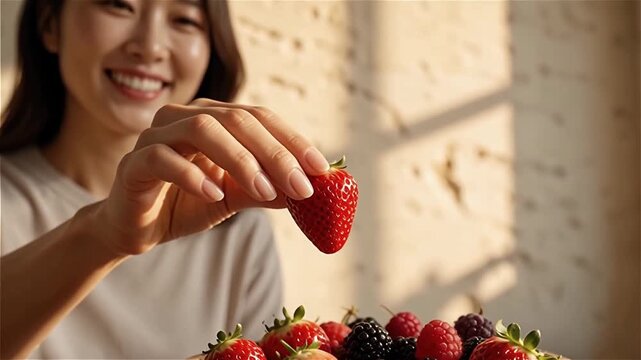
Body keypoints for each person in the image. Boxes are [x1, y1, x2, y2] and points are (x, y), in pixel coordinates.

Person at [0, 0, 330, 358]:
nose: (150, 46)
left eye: (184, 20)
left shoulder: (239, 232)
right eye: (118, 5)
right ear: (50, 25)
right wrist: (104, 236)